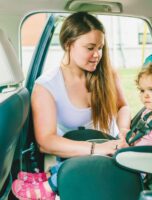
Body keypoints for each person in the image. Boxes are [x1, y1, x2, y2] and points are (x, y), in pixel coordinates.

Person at [12, 12, 131, 200]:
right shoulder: (47, 85)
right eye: (90, 48)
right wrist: (98, 148)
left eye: (100, 48)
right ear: (68, 44)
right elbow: (46, 142)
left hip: (112, 148)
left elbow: (123, 106)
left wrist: (124, 131)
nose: (97, 55)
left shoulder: (107, 74)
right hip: (76, 158)